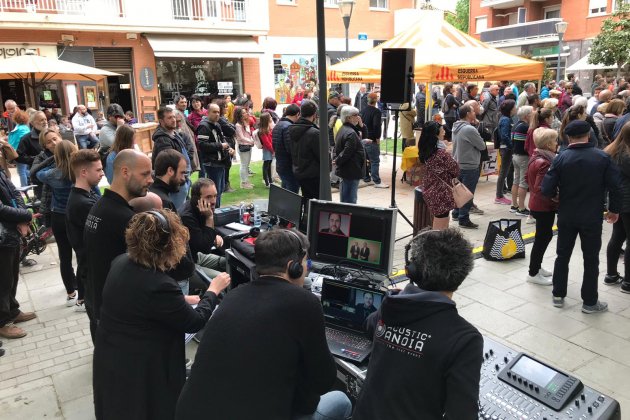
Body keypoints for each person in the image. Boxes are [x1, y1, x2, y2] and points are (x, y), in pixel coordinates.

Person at [176, 229, 352, 420]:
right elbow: (323, 381)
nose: (306, 269)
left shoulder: (235, 295)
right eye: (305, 263)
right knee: (341, 400)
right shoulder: (305, 302)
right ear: (294, 267)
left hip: (192, 412)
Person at [93, 210, 231, 420]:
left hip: (113, 356)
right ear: (167, 244)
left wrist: (180, 301)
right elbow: (194, 322)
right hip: (144, 368)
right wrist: (213, 290)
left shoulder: (120, 262)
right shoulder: (160, 284)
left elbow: (135, 296)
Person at [353, 228, 483, 420]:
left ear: (411, 270)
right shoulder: (464, 339)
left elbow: (369, 326)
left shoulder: (390, 306)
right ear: (461, 276)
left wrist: (402, 296)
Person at [541, 120, 621, 313]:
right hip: (592, 216)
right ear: (588, 135)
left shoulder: (561, 158)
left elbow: (546, 188)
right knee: (591, 258)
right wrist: (614, 209)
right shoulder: (602, 157)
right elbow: (615, 187)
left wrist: (557, 197)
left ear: (568, 137)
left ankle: (558, 294)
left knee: (562, 255)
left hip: (567, 215)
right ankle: (590, 302)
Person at [84, 150, 154, 326]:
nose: (151, 180)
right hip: (116, 314)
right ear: (125, 172)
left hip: (98, 304)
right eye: (145, 174)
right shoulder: (124, 218)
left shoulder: (99, 206)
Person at [33, 136, 79, 306]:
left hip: (58, 216)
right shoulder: (79, 171)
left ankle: (70, 292)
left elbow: (36, 173)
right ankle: (82, 290)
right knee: (80, 253)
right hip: (76, 215)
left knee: (64, 255)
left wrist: (52, 161)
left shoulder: (52, 174)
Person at [66, 149, 103, 321]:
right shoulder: (82, 203)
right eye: (98, 170)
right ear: (83, 172)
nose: (102, 173)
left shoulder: (86, 195)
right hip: (93, 270)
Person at [0, 167, 35, 339]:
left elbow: (14, 192)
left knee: (12, 275)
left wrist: (22, 216)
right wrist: (25, 215)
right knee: (3, 280)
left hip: (9, 233)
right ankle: (3, 322)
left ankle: (12, 311)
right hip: (2, 235)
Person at [525, 128, 558, 286]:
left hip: (538, 204)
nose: (557, 144)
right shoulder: (545, 162)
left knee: (544, 237)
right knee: (542, 238)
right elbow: (542, 188)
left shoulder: (536, 157)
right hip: (543, 206)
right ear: (549, 144)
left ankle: (536, 268)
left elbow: (527, 178)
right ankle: (533, 272)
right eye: (555, 141)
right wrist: (556, 196)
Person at [418, 121, 460, 230]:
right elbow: (455, 170)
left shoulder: (426, 151)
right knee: (441, 222)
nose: (444, 132)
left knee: (440, 217)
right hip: (441, 192)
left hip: (430, 189)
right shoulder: (440, 154)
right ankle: (437, 243)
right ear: (435, 134)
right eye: (442, 130)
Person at [603, 123, 630, 293]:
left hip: (618, 201)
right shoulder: (627, 156)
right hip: (628, 201)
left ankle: (611, 274)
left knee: (617, 236)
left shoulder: (612, 150)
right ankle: (628, 282)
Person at [452, 104, 487, 229]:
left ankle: (456, 213)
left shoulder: (456, 126)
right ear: (467, 113)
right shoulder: (469, 129)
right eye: (473, 110)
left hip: (458, 163)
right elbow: (482, 146)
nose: (475, 112)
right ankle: (464, 218)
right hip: (469, 165)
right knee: (467, 193)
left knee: (459, 191)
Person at [152, 107, 192, 209]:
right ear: (161, 121)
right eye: (169, 118)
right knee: (176, 213)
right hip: (174, 183)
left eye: (174, 117)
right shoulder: (162, 139)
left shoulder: (174, 134)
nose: (173, 120)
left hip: (183, 179)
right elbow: (169, 163)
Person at [289, 99, 323, 200]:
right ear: (314, 114)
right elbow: (321, 155)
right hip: (312, 174)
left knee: (307, 200)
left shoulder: (292, 128)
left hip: (300, 171)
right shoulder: (314, 133)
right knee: (315, 203)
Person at [196, 103, 231, 201]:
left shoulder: (217, 124)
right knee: (214, 192)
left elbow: (222, 139)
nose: (217, 114)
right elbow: (202, 145)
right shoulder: (204, 126)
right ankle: (214, 213)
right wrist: (220, 146)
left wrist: (228, 147)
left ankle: (217, 212)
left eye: (218, 112)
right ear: (208, 112)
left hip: (220, 161)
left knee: (219, 190)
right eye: (214, 112)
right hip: (212, 163)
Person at [335, 106, 366, 204]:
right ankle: (348, 217)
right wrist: (337, 160)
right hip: (351, 170)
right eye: (355, 115)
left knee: (346, 197)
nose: (358, 117)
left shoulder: (344, 129)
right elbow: (347, 151)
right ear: (348, 118)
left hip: (348, 170)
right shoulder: (351, 132)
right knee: (350, 200)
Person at [361, 93, 388, 188]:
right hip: (372, 139)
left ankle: (366, 177)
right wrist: (377, 138)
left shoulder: (363, 110)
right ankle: (377, 181)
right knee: (375, 160)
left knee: (365, 159)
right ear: (376, 100)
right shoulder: (376, 111)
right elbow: (376, 125)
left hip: (363, 138)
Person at [273, 104, 300, 193]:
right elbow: (290, 148)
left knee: (285, 192)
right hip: (288, 165)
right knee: (292, 192)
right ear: (297, 114)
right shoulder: (288, 127)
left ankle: (283, 207)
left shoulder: (278, 125)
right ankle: (291, 207)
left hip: (280, 163)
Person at [511, 106, 533, 215]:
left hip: (515, 155)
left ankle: (514, 205)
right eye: (531, 113)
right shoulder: (525, 127)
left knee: (516, 180)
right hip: (523, 157)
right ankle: (521, 208)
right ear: (526, 115)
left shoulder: (516, 125)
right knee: (523, 183)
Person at [16, 111, 46, 189]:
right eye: (41, 120)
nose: (45, 122)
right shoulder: (26, 138)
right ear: (32, 123)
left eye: (45, 119)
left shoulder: (52, 134)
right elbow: (19, 157)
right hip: (38, 176)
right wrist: (36, 160)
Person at [494, 99, 516, 205]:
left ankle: (500, 194)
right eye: (514, 107)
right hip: (506, 149)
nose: (516, 108)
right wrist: (512, 146)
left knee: (504, 172)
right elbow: (505, 136)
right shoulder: (506, 120)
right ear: (510, 109)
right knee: (503, 172)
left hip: (505, 148)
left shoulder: (505, 118)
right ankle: (499, 196)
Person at [234, 106, 255, 189]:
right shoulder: (238, 125)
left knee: (247, 165)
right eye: (243, 113)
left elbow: (248, 134)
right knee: (244, 164)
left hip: (248, 145)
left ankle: (246, 181)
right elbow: (241, 137)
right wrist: (251, 141)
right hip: (243, 146)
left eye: (245, 112)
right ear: (239, 115)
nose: (245, 114)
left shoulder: (246, 123)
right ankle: (244, 182)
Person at [7, 110, 30, 185]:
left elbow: (12, 142)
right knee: (23, 170)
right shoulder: (26, 128)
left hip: (18, 152)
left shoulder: (17, 129)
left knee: (21, 172)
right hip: (26, 152)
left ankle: (24, 188)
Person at [254, 112, 275, 188]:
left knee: (268, 165)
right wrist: (273, 151)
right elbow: (267, 143)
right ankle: (267, 182)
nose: (271, 117)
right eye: (269, 117)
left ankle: (270, 181)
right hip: (268, 150)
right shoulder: (263, 131)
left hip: (270, 149)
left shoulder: (267, 128)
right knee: (266, 166)